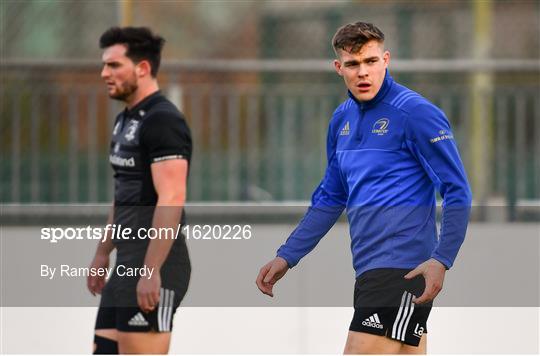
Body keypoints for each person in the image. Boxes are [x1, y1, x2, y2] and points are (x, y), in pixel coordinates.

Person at [256, 22, 472, 354]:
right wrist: (288, 255)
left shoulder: (415, 113)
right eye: (354, 64)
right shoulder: (341, 120)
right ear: (338, 67)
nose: (363, 72)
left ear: (386, 60)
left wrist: (442, 259)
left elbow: (457, 189)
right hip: (370, 270)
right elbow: (331, 196)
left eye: (371, 61)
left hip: (403, 268)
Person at [87, 27, 192, 354]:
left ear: (143, 68)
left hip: (157, 263)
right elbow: (123, 193)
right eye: (104, 65)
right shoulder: (124, 120)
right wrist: (104, 251)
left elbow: (172, 197)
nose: (105, 73)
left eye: (114, 65)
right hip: (126, 262)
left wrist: (150, 271)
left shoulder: (163, 120)